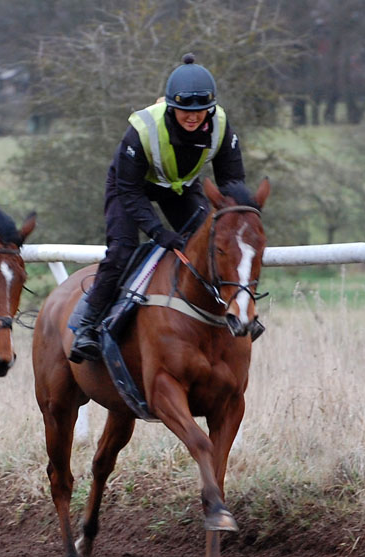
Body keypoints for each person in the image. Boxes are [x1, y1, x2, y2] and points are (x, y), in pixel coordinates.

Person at [68, 54, 249, 363]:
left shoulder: (220, 124)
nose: (193, 118)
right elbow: (128, 190)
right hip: (130, 187)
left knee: (215, 245)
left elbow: (233, 183)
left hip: (178, 187)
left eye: (200, 111)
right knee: (123, 249)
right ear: (171, 107)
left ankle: (235, 311)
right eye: (184, 111)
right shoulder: (141, 130)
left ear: (210, 107)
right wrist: (157, 231)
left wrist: (236, 223)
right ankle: (87, 325)